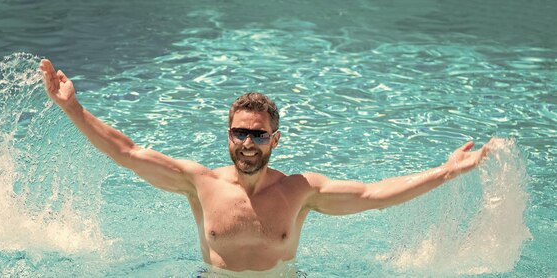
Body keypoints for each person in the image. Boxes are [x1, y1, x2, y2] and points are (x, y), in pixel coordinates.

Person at [40, 59, 494, 272]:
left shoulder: (301, 191)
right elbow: (128, 151)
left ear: (274, 140)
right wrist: (72, 109)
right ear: (229, 135)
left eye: (258, 135)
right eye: (240, 133)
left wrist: (447, 171)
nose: (248, 143)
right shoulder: (198, 184)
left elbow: (375, 194)